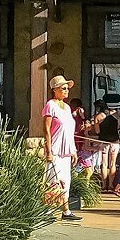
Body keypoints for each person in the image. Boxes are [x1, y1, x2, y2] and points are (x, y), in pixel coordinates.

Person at [43, 75, 81, 221]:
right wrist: (48, 150)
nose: (66, 91)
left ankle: (66, 211)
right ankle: (47, 211)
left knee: (66, 180)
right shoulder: (50, 105)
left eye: (67, 89)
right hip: (55, 150)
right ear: (55, 90)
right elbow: (46, 129)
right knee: (53, 180)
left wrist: (74, 151)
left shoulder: (67, 107)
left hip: (66, 151)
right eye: (63, 88)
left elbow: (70, 130)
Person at [94, 100, 120, 191]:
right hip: (114, 141)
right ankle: (111, 185)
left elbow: (97, 131)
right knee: (112, 163)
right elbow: (118, 127)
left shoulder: (98, 117)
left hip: (104, 141)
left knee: (104, 164)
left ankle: (103, 185)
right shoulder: (116, 115)